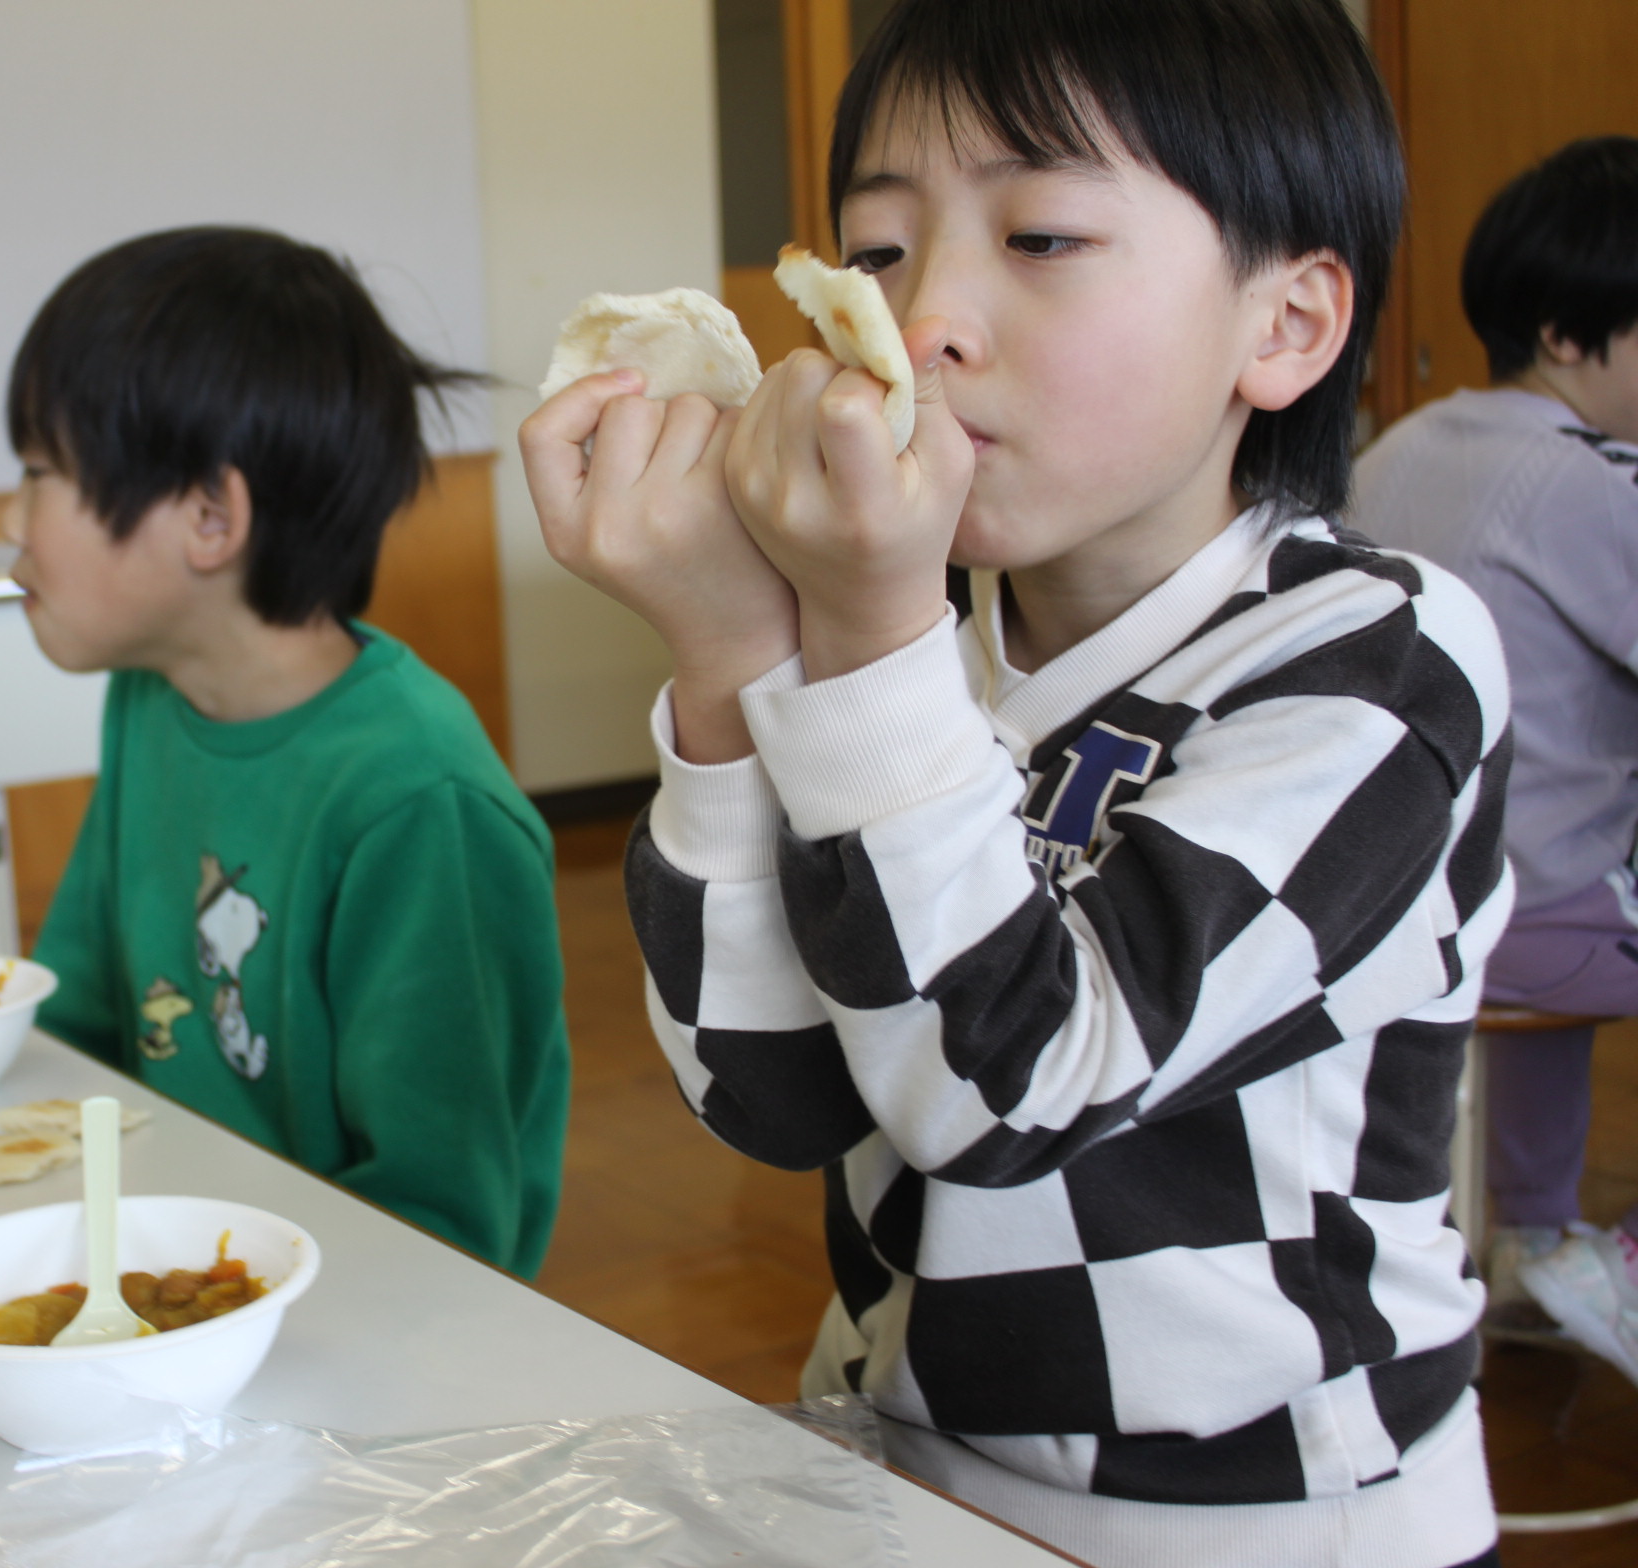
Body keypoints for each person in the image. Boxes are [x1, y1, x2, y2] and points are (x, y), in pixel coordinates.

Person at [523, 1, 1507, 1564]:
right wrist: (728, 653)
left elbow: (1016, 1091)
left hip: (1273, 1514)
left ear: (1287, 327)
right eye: (879, 250)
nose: (922, 325)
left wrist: (859, 635)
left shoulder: (1378, 661)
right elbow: (771, 1097)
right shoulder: (916, 639)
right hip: (904, 1459)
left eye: (1040, 236)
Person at [6, 227, 570, 1277]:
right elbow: (76, 1022)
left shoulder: (418, 798)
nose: (13, 519)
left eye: (42, 472)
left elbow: (443, 1220)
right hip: (163, 1270)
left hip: (349, 1322)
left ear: (210, 516)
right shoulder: (153, 693)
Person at [1353, 136, 1638, 1383]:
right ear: (1569, 335)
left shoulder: (1401, 448)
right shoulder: (1590, 481)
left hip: (1393, 889)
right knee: (1575, 863)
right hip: (1537, 909)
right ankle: (1610, 1256)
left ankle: (1530, 1240)